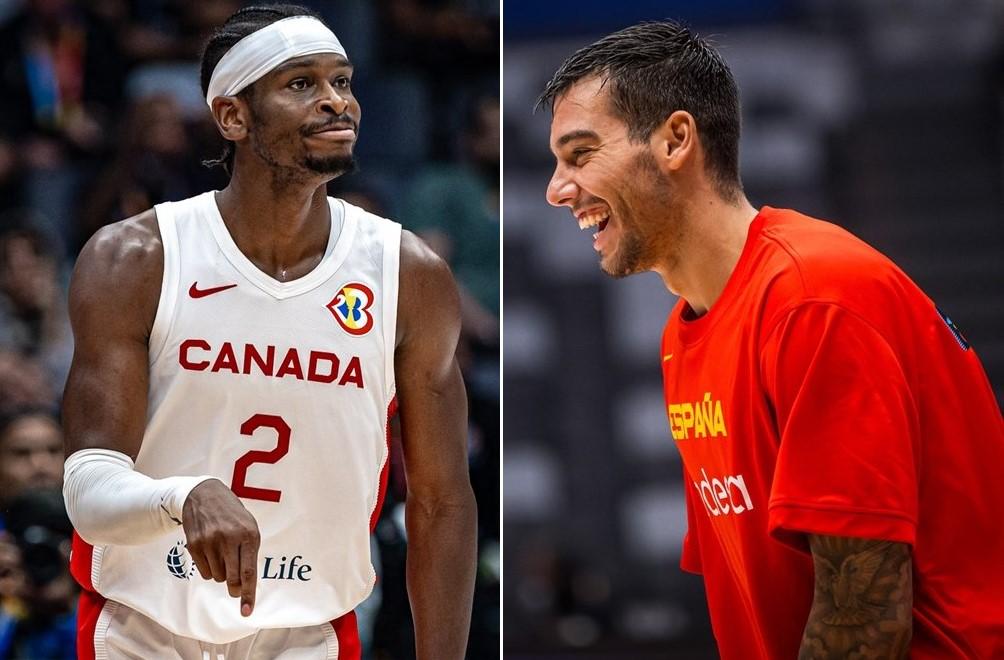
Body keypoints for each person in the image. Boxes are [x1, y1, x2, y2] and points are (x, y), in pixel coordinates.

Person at [539, 20, 1004, 660]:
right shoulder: (687, 329)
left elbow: (865, 618)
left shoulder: (815, 299)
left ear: (676, 140)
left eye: (582, 153)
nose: (557, 190)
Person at [61, 5, 477, 659]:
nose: (336, 103)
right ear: (232, 116)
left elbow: (441, 501)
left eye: (342, 81)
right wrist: (186, 495)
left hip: (305, 633)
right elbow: (88, 489)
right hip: (142, 628)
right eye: (302, 84)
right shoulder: (139, 258)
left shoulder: (407, 274)